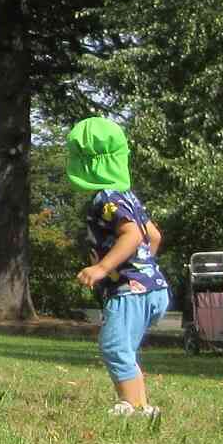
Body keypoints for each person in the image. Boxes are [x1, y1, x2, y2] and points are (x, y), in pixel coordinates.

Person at [67, 117, 170, 417]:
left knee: (114, 347)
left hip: (128, 291)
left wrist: (103, 267)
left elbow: (133, 235)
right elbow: (154, 236)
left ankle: (133, 405)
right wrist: (145, 268)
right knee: (125, 349)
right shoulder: (127, 196)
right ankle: (141, 404)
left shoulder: (106, 198)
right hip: (151, 288)